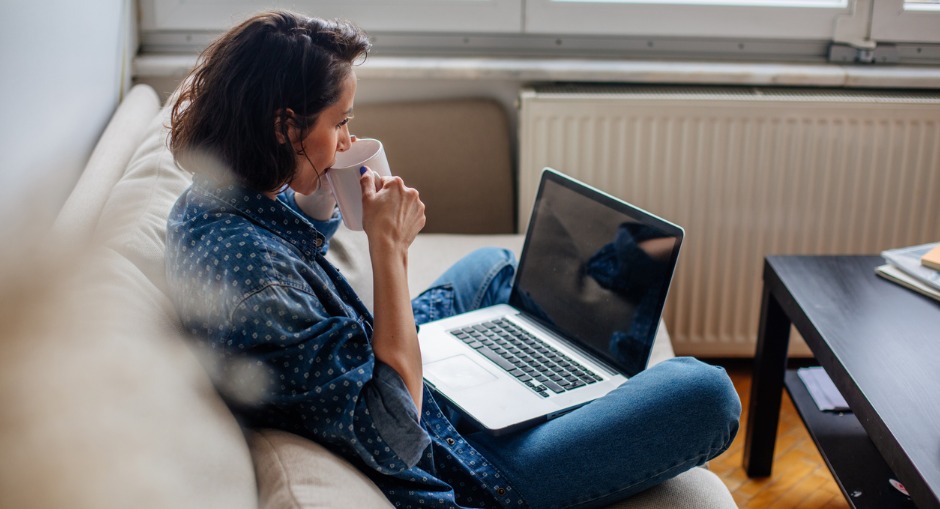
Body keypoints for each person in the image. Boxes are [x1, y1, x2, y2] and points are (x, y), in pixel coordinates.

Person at [165, 10, 741, 509]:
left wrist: (319, 190)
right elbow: (396, 431)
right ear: (284, 125)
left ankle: (552, 377)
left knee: (491, 265)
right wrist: (389, 249)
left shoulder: (218, 202)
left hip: (408, 384)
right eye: (339, 123)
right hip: (463, 464)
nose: (346, 141)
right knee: (707, 392)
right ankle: (570, 392)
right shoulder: (256, 284)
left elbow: (300, 269)